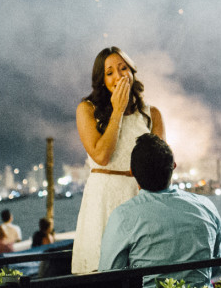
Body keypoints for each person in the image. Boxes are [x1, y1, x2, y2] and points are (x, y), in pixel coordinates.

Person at [71, 47, 166, 274]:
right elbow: (101, 156)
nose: (118, 76)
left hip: (141, 196)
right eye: (110, 72)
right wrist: (117, 111)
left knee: (144, 270)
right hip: (103, 198)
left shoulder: (152, 113)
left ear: (132, 73)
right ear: (102, 79)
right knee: (102, 270)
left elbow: (161, 161)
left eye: (123, 68)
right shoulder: (87, 109)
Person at [98, 134, 221, 288]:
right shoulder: (206, 206)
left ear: (131, 172)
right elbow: (216, 263)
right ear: (174, 167)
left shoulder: (123, 215)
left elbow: (109, 275)